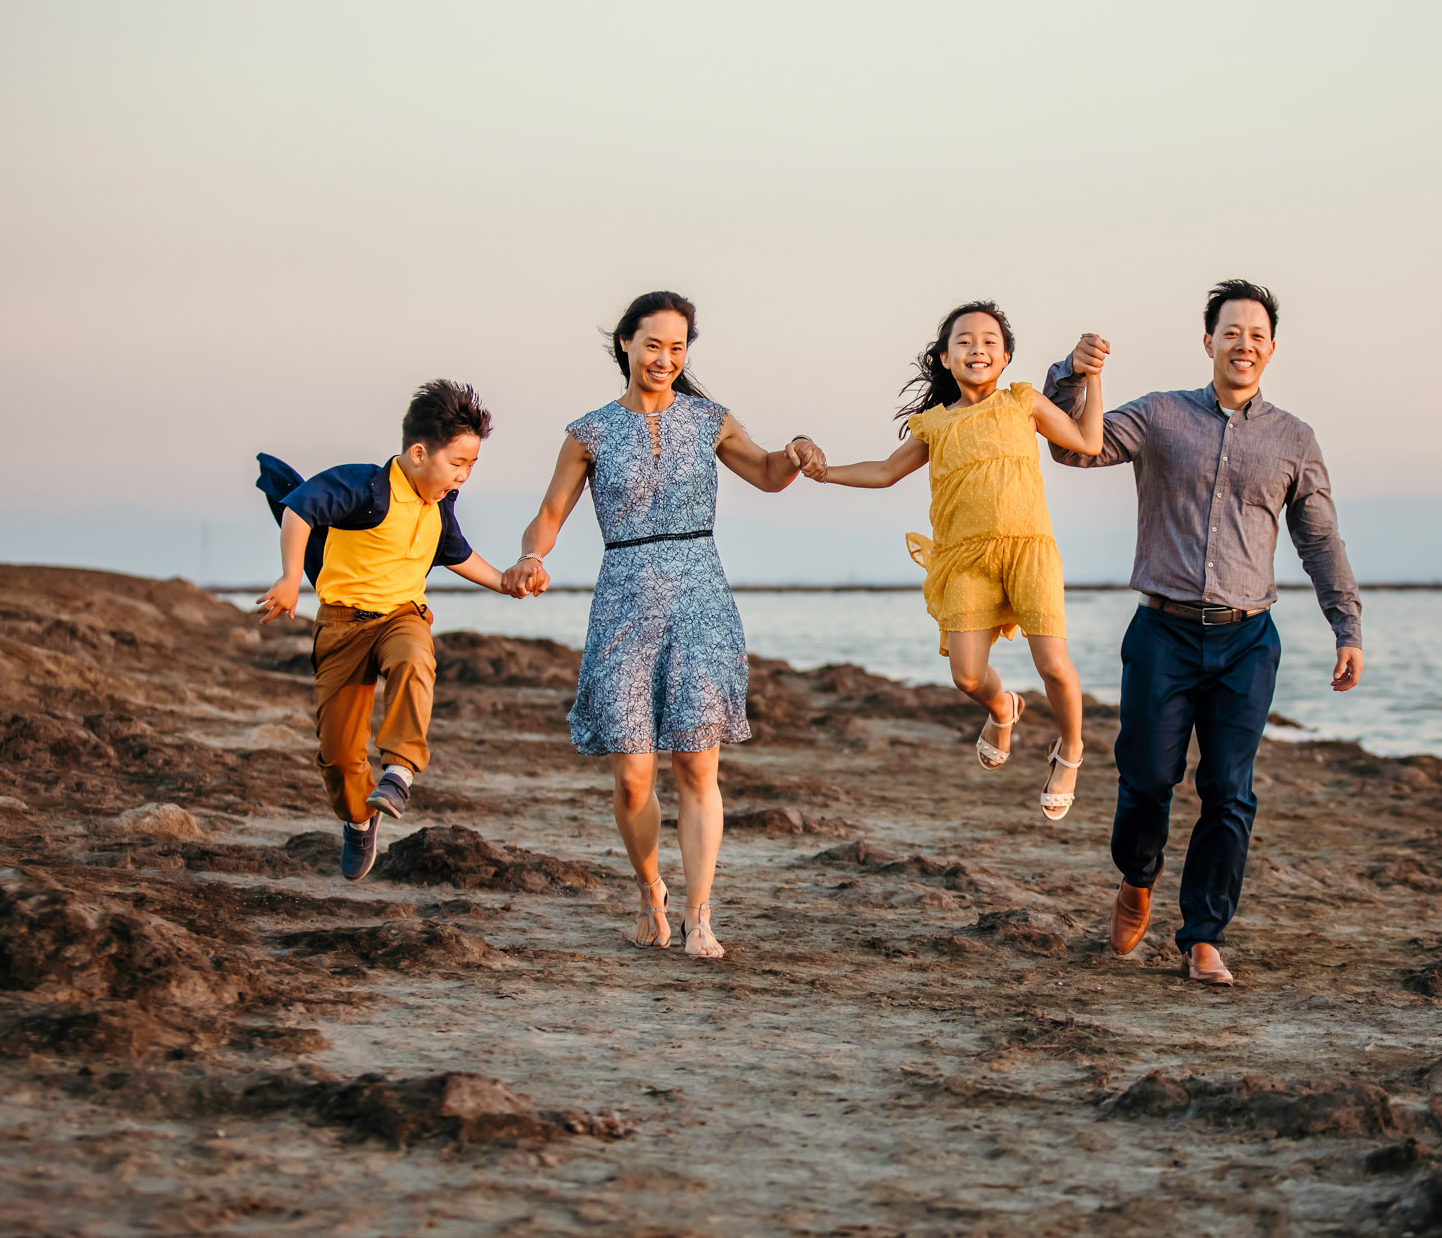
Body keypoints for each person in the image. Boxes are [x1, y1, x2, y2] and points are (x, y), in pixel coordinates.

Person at [1042, 279, 1364, 986]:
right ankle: (1137, 877)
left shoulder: (1294, 440)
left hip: (1248, 640)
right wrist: (1072, 374)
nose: (1243, 344)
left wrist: (1346, 625)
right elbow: (1075, 450)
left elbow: (1318, 538)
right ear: (1209, 341)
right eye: (1231, 331)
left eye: (1256, 334)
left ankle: (1203, 936)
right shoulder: (1159, 416)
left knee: (1229, 788)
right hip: (1163, 632)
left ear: (1270, 349)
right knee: (1147, 776)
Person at [503, 291, 819, 959]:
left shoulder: (709, 419)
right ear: (626, 343)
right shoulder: (588, 431)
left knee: (698, 767)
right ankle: (652, 893)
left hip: (701, 597)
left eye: (678, 348)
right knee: (632, 775)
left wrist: (791, 454)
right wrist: (533, 554)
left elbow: (764, 472)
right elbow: (550, 513)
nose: (666, 359)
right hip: (623, 600)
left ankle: (700, 916)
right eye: (654, 344)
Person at [797, 300, 1105, 820]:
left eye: (989, 342)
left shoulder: (1022, 401)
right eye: (964, 341)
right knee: (966, 676)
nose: (977, 349)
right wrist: (825, 473)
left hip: (1028, 551)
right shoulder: (934, 424)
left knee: (1053, 664)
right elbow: (884, 472)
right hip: (965, 559)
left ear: (1006, 357)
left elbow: (1089, 441)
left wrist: (1092, 376)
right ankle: (1003, 708)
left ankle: (1070, 750)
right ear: (944, 357)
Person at [254, 380, 516, 881]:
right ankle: (359, 817)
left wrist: (505, 582)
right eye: (457, 464)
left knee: (415, 658)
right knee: (337, 756)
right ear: (419, 453)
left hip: (402, 617)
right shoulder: (363, 487)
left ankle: (398, 772)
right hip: (342, 626)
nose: (462, 478)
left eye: (471, 467)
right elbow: (298, 509)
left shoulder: (440, 503)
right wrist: (290, 578)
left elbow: (456, 553)